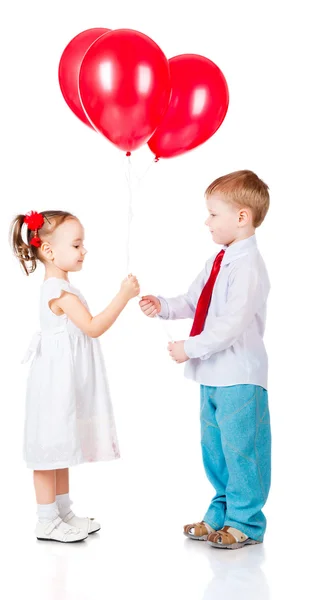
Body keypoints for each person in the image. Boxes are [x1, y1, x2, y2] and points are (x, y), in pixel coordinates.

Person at [140, 171, 271, 549]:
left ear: (241, 217)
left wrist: (189, 347)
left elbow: (231, 324)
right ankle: (222, 511)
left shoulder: (248, 266)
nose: (207, 221)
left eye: (213, 214)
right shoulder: (220, 259)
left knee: (242, 448)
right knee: (214, 448)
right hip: (213, 375)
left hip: (240, 376)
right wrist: (163, 306)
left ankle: (246, 521)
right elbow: (196, 300)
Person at [10, 210, 140, 543]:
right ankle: (45, 519)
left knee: (60, 446)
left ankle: (63, 512)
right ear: (50, 252)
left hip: (62, 381)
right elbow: (93, 327)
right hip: (53, 384)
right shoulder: (59, 291)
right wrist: (123, 296)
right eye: (77, 244)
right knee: (47, 450)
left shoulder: (63, 286)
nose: (84, 251)